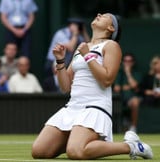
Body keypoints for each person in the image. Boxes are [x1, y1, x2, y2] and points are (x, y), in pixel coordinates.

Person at [31, 13, 153, 160]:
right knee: (39, 151)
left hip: (95, 107)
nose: (99, 14)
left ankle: (131, 146)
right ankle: (80, 141)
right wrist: (60, 61)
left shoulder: (111, 46)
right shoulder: (81, 48)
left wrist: (88, 56)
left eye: (105, 16)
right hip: (73, 107)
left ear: (111, 28)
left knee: (76, 152)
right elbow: (65, 87)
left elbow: (107, 80)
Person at [113, 53, 142, 132]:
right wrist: (129, 87)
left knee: (135, 102)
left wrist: (128, 73)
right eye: (125, 61)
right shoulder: (118, 73)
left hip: (132, 99)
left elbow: (134, 85)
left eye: (130, 61)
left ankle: (133, 127)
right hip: (120, 100)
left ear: (133, 62)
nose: (127, 63)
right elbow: (116, 88)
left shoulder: (137, 73)